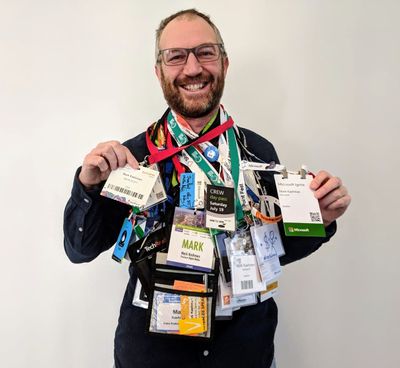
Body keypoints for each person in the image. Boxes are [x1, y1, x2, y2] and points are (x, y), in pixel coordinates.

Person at [64, 9, 351, 368]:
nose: (193, 68)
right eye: (176, 56)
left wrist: (318, 220)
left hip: (245, 352)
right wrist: (88, 186)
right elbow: (80, 249)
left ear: (224, 64)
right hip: (153, 356)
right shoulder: (132, 160)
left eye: (205, 52)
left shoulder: (257, 152)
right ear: (159, 72)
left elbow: (272, 251)